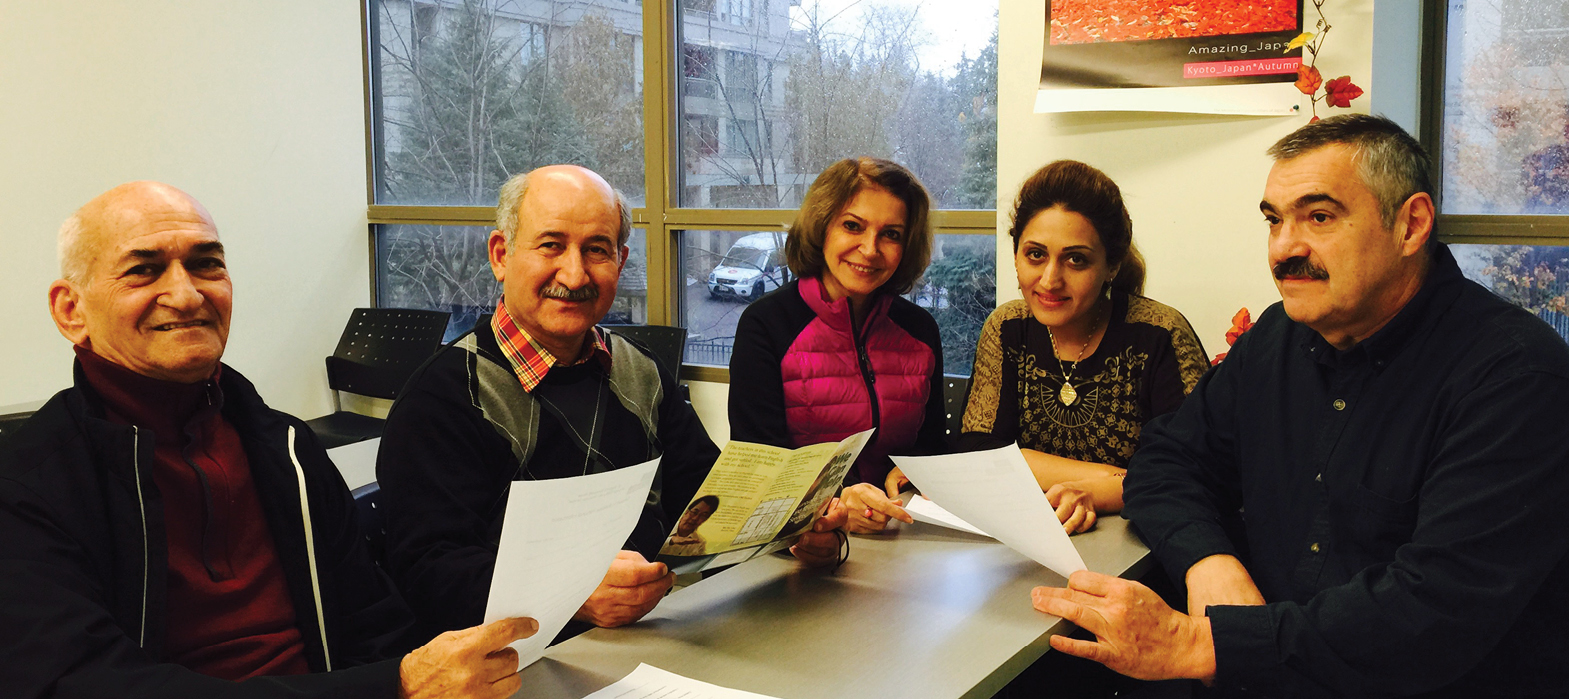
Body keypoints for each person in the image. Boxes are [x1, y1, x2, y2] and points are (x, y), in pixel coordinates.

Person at [1032, 115, 1569, 696]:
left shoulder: (1515, 376)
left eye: (1319, 217)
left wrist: (1202, 645)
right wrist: (1207, 559)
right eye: (1273, 220)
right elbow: (1166, 459)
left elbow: (1437, 610)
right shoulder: (1278, 337)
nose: (1284, 248)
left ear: (1410, 225)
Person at [0, 181, 537, 699]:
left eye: (207, 263)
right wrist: (389, 687)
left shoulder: (284, 446)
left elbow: (373, 622)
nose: (186, 295)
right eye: (143, 270)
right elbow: (85, 683)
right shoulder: (28, 487)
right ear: (71, 311)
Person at [377, 165, 845, 645]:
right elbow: (427, 574)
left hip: (656, 638)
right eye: (551, 245)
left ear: (619, 262)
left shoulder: (641, 373)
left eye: (596, 250)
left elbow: (707, 499)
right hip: (525, 664)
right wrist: (571, 593)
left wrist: (800, 527)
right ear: (501, 255)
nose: (575, 273)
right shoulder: (443, 398)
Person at [960, 160, 1208, 534]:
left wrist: (1096, 492)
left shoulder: (1159, 333)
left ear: (1111, 266)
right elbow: (980, 454)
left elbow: (1193, 469)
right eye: (1035, 254)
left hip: (1141, 547)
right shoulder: (1008, 327)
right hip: (1031, 543)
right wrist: (1115, 477)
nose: (1049, 279)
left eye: (1075, 259)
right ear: (1015, 254)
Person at [727, 157, 947, 535]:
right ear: (822, 226)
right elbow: (760, 469)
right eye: (852, 226)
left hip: (899, 536)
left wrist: (914, 476)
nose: (870, 248)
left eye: (891, 234)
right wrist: (838, 502)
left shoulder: (920, 330)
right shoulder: (766, 325)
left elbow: (929, 451)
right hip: (798, 541)